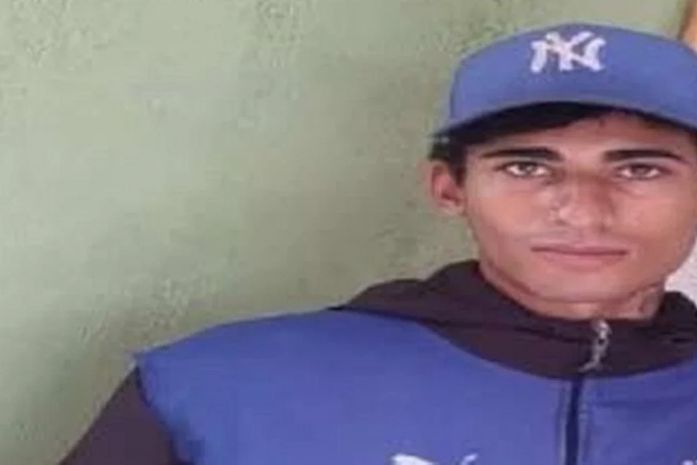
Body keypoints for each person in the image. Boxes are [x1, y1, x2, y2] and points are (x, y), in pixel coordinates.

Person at [60, 22, 697, 465]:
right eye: (526, 167)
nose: (582, 209)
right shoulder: (217, 388)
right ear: (449, 189)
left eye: (640, 168)